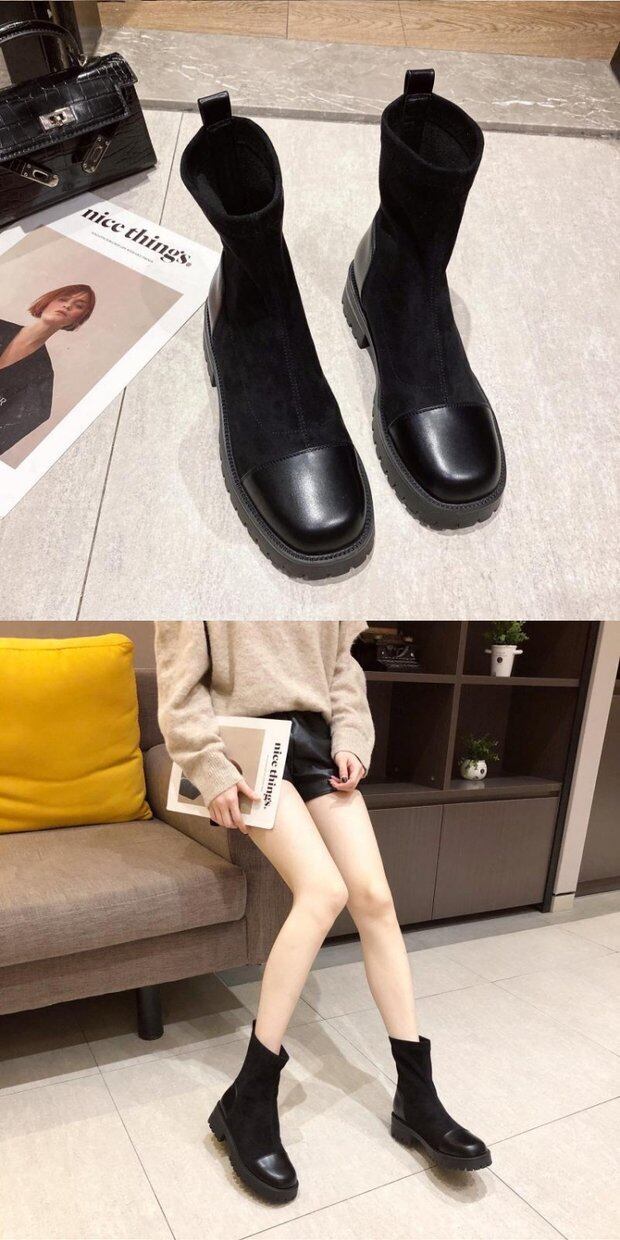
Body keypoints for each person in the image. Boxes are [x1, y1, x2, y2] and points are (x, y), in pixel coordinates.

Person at [155, 621, 490, 1204]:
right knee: (322, 892)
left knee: (375, 899)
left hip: (317, 741)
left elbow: (342, 668)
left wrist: (352, 738)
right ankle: (250, 1096)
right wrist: (209, 767)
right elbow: (181, 689)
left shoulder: (321, 577)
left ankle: (416, 1093)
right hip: (246, 746)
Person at [0, 284, 95, 456]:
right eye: (63, 299)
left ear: (78, 319)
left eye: (79, 306)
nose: (67, 305)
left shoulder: (41, 378)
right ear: (47, 301)